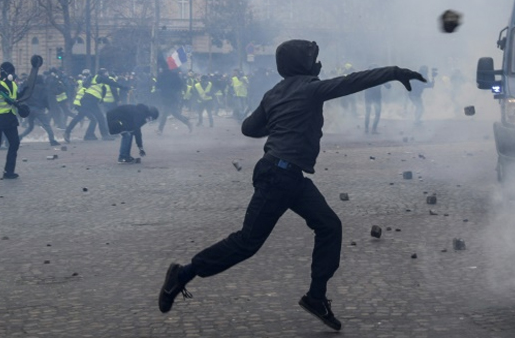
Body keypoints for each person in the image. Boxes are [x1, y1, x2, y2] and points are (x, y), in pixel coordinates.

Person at [157, 39, 426, 331]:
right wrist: (395, 72)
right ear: (303, 64)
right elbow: (353, 81)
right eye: (313, 59)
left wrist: (279, 120)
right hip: (277, 177)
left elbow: (249, 128)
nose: (318, 64)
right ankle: (183, 274)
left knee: (329, 226)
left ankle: (316, 296)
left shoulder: (275, 93)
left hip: (289, 176)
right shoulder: (311, 89)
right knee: (247, 242)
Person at [19, 75, 60, 146]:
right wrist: (48, 108)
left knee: (30, 126)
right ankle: (52, 140)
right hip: (38, 109)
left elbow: (26, 97)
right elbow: (45, 99)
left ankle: (20, 136)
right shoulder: (44, 88)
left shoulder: (31, 88)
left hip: (30, 109)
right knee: (47, 125)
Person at [156, 67, 192, 134]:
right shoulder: (174, 76)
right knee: (173, 113)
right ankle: (188, 123)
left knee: (166, 113)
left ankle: (160, 130)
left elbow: (157, 86)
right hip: (172, 97)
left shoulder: (162, 76)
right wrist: (175, 91)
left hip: (168, 97)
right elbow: (181, 85)